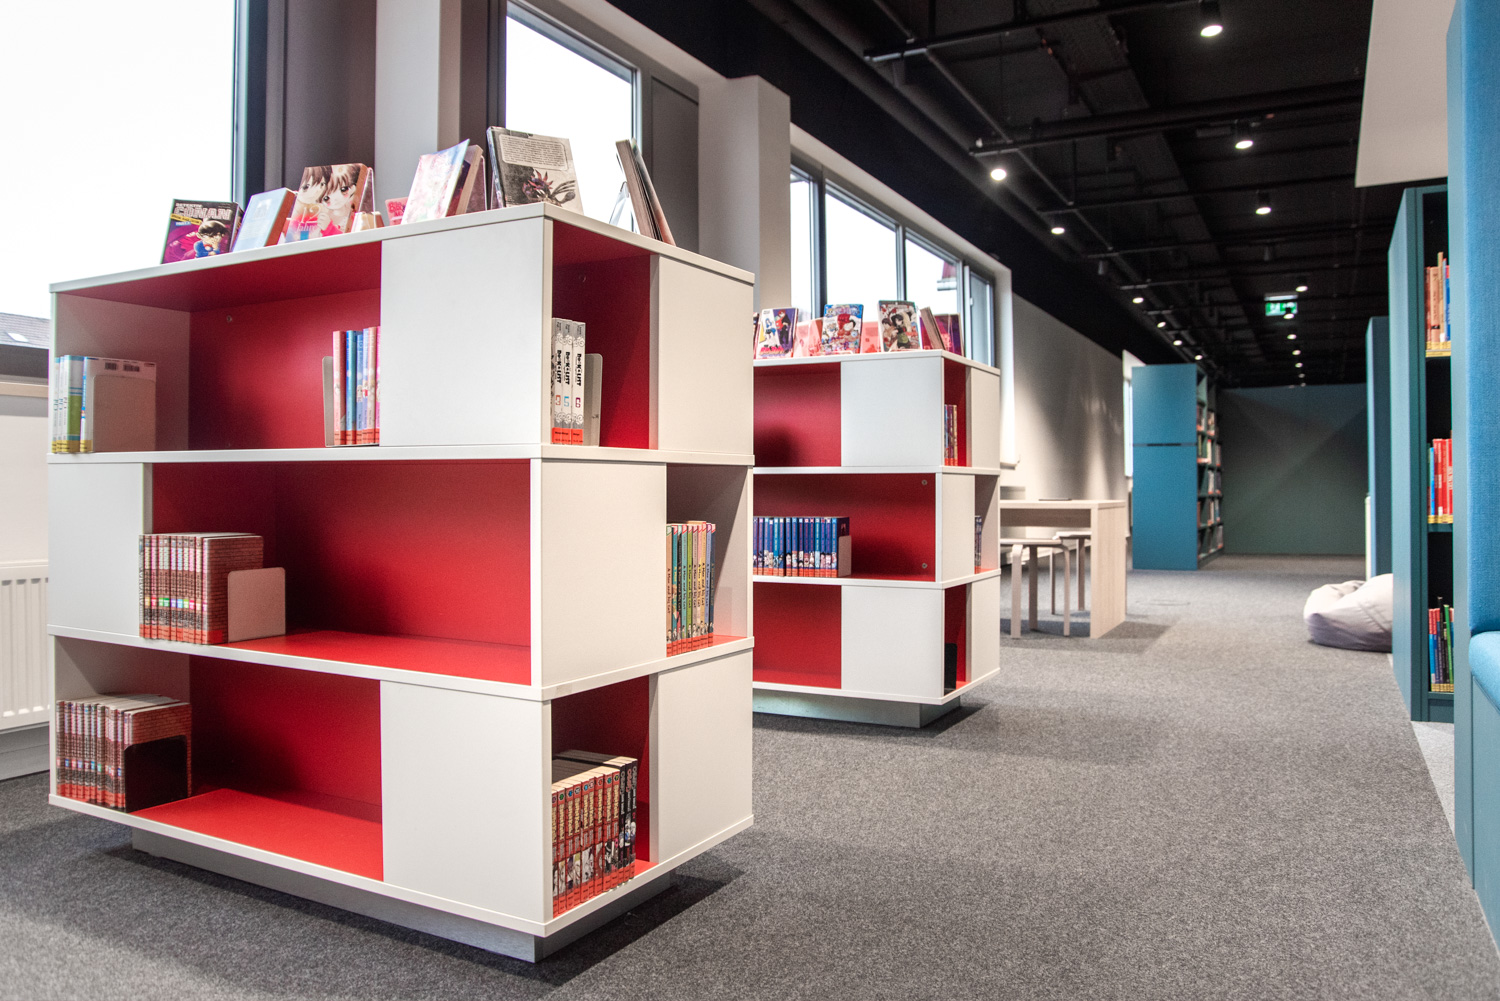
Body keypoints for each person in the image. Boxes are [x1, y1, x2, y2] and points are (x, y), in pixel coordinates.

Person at [282, 165, 332, 242]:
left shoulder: (323, 211)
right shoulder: (288, 204)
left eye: (322, 184)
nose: (317, 190)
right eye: (306, 187)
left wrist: (329, 228)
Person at [318, 164, 365, 236]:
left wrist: (329, 228)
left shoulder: (355, 211)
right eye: (326, 198)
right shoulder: (324, 217)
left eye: (343, 190)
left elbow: (353, 239)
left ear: (352, 188)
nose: (336, 199)